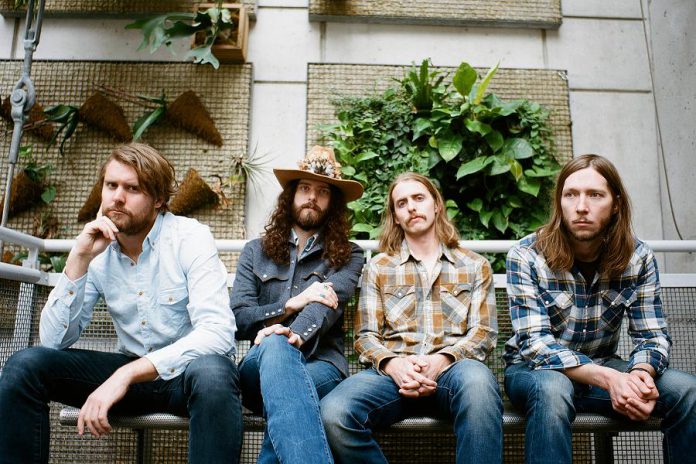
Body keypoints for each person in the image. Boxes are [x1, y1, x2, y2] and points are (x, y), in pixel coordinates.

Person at [0, 143, 243, 464]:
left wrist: (125, 375)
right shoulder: (97, 249)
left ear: (158, 199)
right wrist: (79, 259)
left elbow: (217, 333)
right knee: (25, 366)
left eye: (132, 189)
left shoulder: (189, 238)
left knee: (213, 373)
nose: (117, 197)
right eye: (111, 185)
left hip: (186, 378)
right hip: (131, 376)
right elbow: (53, 341)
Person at [504, 154, 696, 464]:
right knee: (554, 389)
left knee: (688, 392)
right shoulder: (526, 255)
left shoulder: (638, 257)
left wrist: (638, 375)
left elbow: (653, 337)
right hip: (534, 372)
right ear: (560, 202)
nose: (581, 206)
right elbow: (536, 346)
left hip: (605, 365)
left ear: (616, 203)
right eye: (571, 195)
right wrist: (611, 381)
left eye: (595, 195)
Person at [321, 172, 502, 464]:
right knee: (333, 413)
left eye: (419, 198)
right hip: (393, 375)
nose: (412, 207)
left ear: (436, 205)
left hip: (453, 371)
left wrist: (441, 361)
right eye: (402, 203)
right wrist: (394, 365)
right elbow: (365, 335)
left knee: (479, 387)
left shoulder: (474, 265)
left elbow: (483, 332)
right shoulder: (379, 267)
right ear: (395, 217)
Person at [230, 145, 364, 463]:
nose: (311, 197)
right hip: (257, 369)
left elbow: (326, 306)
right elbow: (239, 318)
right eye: (304, 188)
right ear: (291, 195)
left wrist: (289, 336)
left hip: (323, 366)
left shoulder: (349, 255)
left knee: (287, 390)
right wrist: (291, 305)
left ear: (332, 203)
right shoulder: (255, 251)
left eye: (322, 191)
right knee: (276, 351)